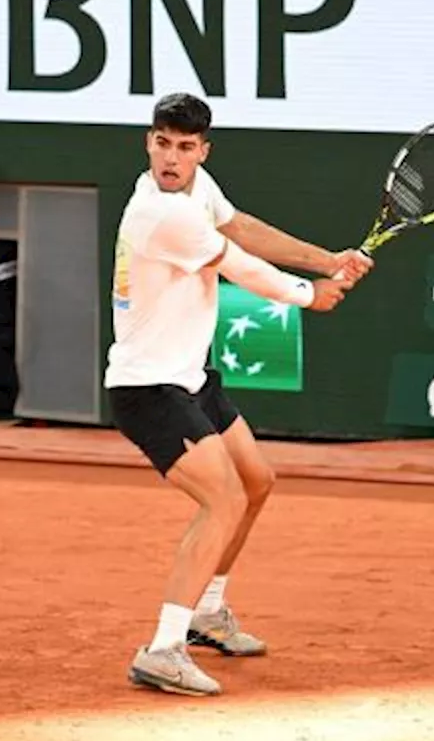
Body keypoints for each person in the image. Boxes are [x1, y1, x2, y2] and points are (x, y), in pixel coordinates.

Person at [106, 93, 372, 697]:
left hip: (191, 376)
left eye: (185, 147)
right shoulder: (157, 213)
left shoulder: (197, 190)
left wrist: (328, 259)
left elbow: (239, 226)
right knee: (222, 499)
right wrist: (310, 295)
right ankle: (164, 648)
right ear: (149, 141)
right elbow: (238, 264)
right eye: (163, 143)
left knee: (256, 481)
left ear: (203, 150)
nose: (171, 157)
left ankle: (207, 613)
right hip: (148, 385)